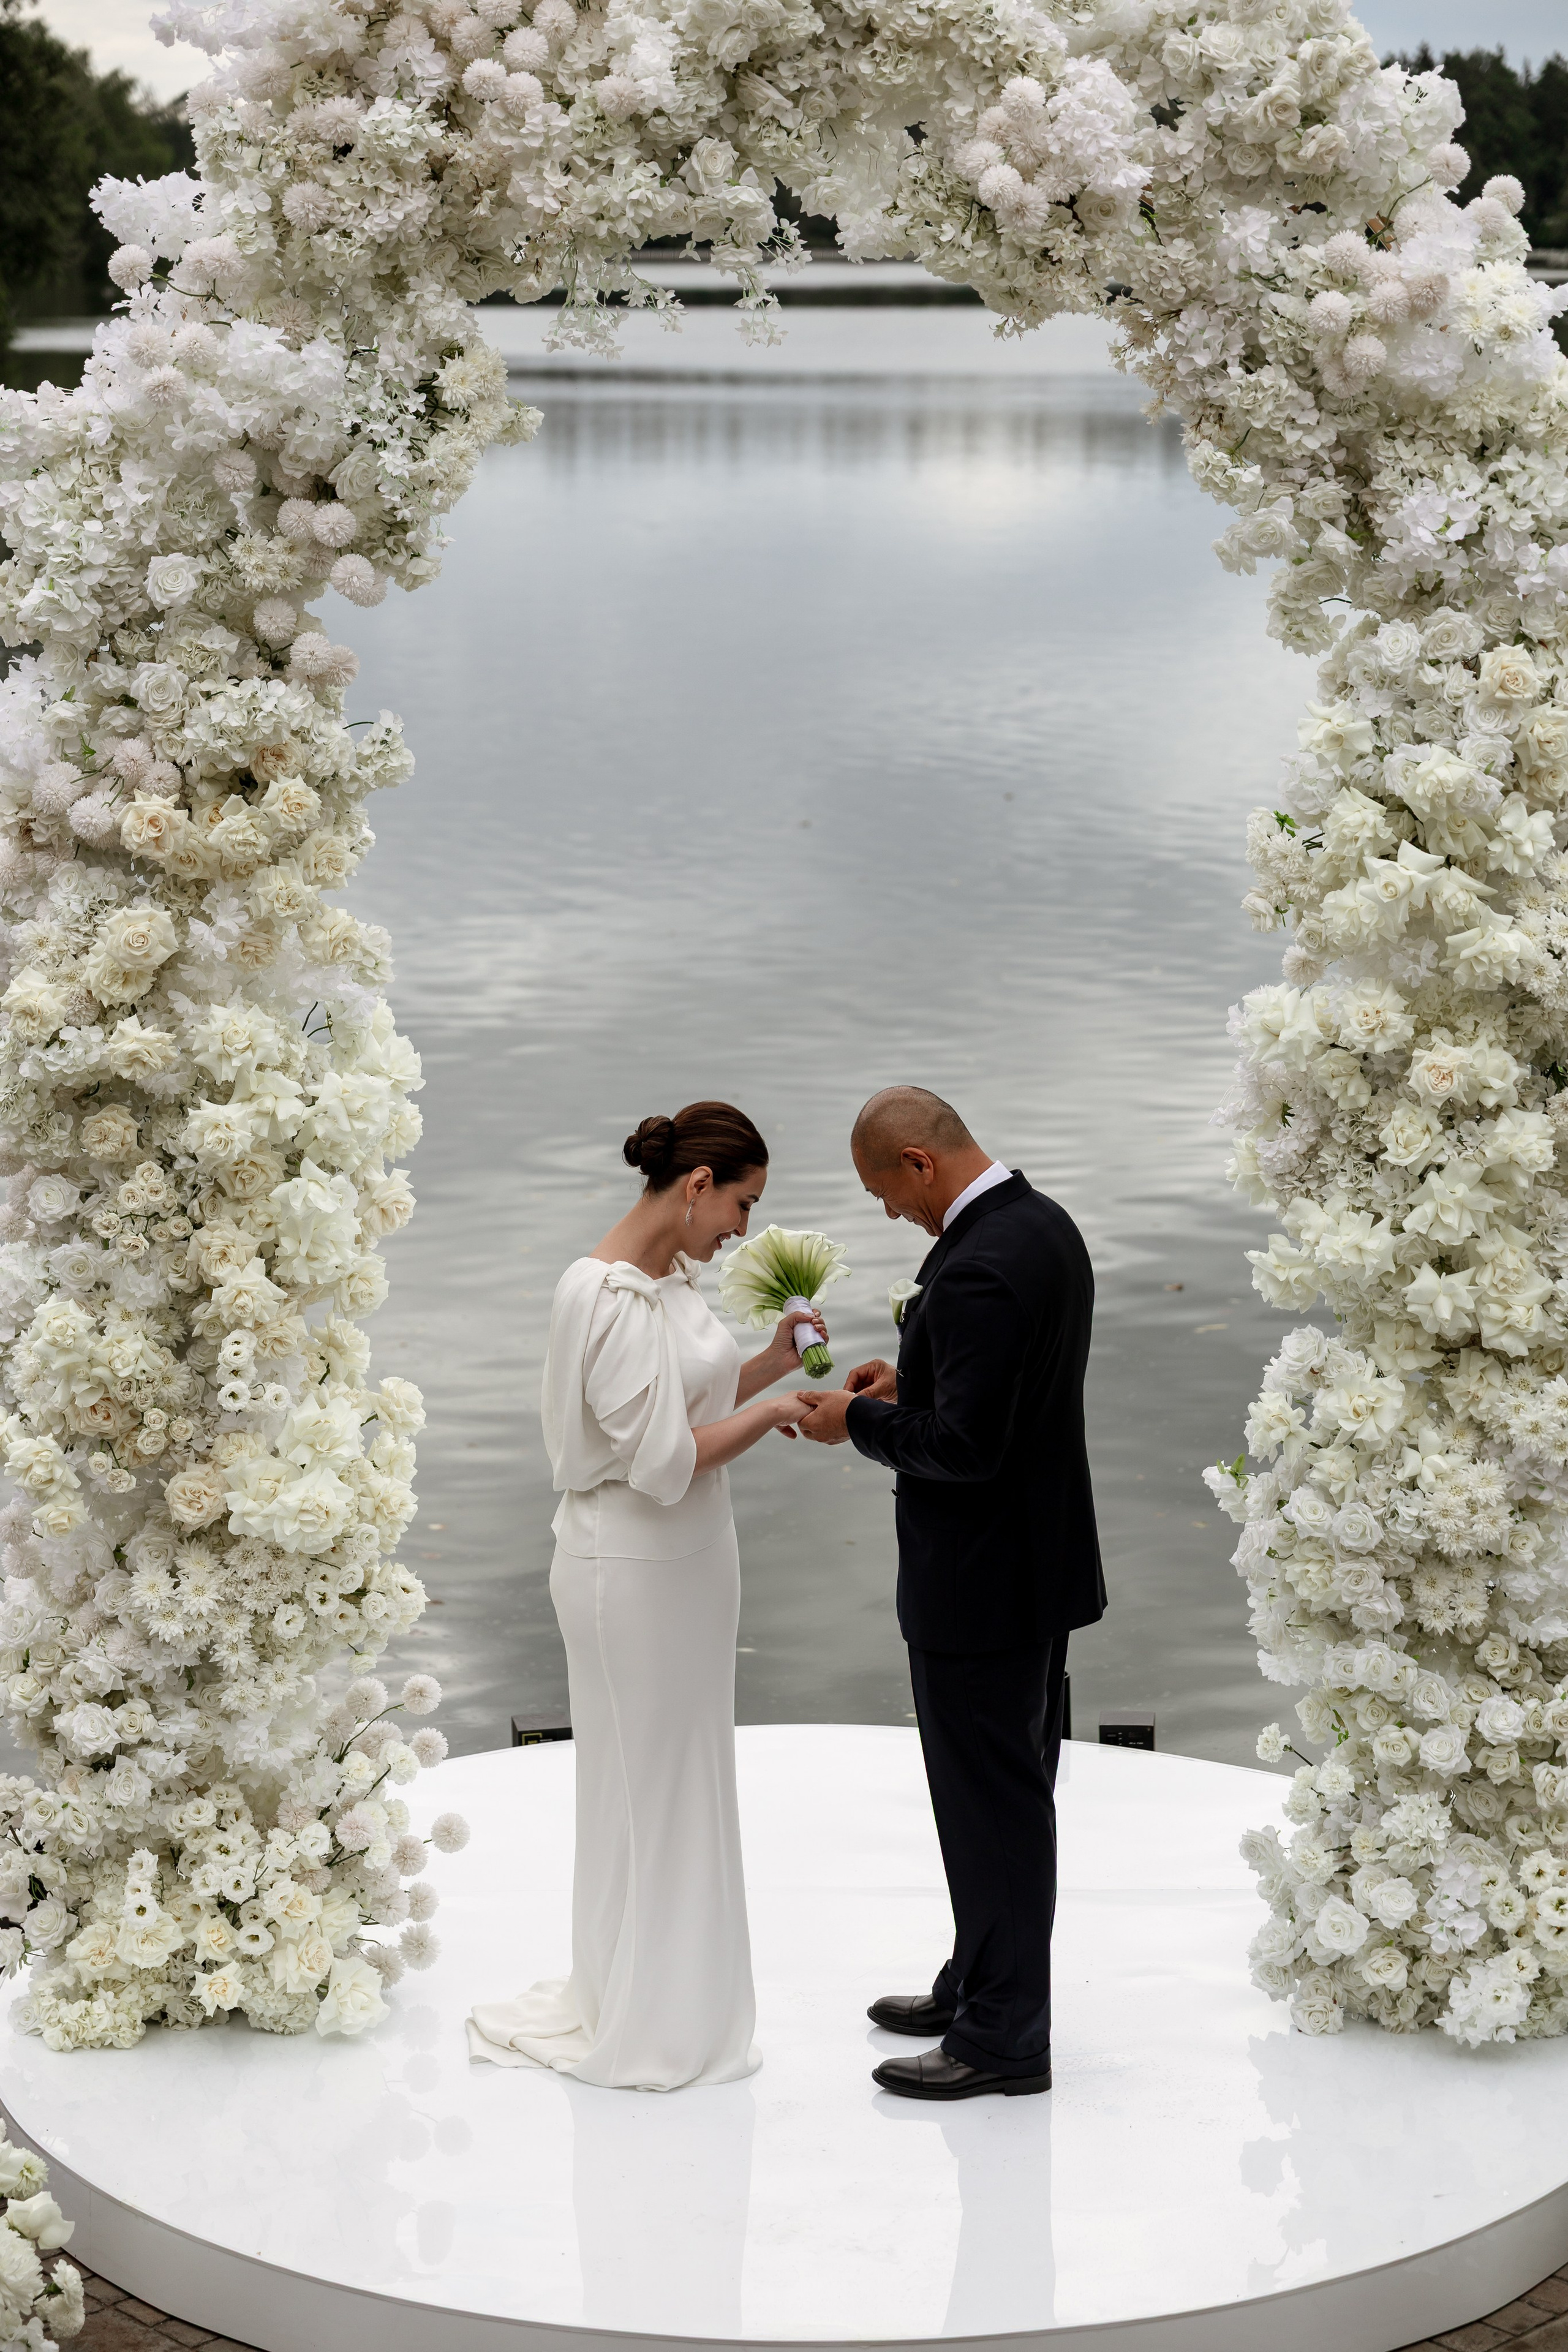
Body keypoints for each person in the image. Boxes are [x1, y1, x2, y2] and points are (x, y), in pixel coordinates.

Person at [467, 1101, 821, 2090]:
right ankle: (650, 2017)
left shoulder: (670, 1282)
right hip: (630, 1567)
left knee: (685, 1775)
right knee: (647, 1788)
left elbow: (687, 1402)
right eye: (741, 1205)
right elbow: (662, 1464)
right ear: (697, 1184)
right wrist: (780, 1412)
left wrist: (773, 1363)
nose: (743, 1230)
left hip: (696, 1561)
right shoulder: (609, 1301)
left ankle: (675, 1992)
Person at [798, 1087, 1104, 2101]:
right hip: (1034, 1568)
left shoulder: (976, 1268)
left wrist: (857, 1422)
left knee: (993, 1809)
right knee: (1001, 1795)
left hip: (980, 1586)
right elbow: (1003, 1400)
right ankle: (979, 1981)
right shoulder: (1040, 1226)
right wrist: (913, 1384)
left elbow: (966, 1452)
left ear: (919, 1165)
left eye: (885, 1192)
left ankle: (1005, 2038)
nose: (890, 1214)